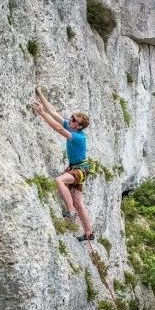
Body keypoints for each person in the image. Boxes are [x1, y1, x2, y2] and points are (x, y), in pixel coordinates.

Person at [32, 86, 95, 242]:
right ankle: (89, 233)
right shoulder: (72, 127)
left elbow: (58, 128)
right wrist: (40, 94)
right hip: (79, 168)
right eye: (72, 118)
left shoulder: (78, 137)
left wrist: (41, 114)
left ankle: (71, 211)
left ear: (78, 126)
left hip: (80, 169)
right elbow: (54, 113)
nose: (70, 120)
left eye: (74, 120)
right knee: (79, 202)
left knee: (59, 180)